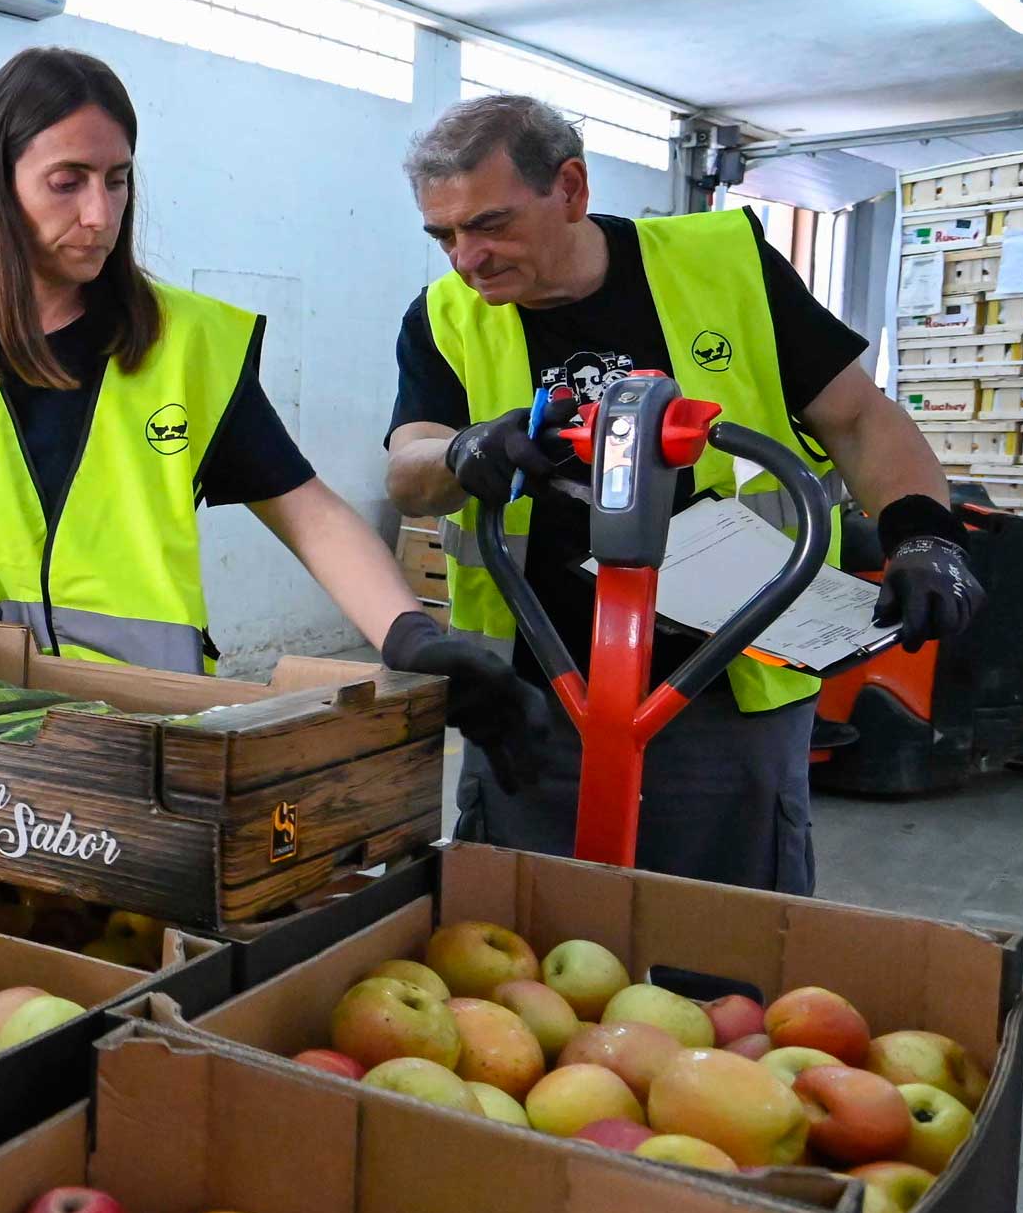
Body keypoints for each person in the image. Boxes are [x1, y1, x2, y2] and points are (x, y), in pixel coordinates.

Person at [0, 47, 546, 775]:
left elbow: (308, 513)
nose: (99, 213)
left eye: (116, 179)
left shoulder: (186, 346)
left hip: (137, 748)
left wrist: (411, 636)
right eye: (67, 180)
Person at [382, 95, 979, 892]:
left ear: (570, 187)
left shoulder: (723, 265)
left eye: (489, 223)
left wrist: (922, 532)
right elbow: (407, 466)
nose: (466, 258)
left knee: (724, 953)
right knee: (529, 949)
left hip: (728, 686)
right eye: (443, 235)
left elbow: (859, 418)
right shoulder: (443, 319)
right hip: (539, 694)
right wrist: (461, 450)